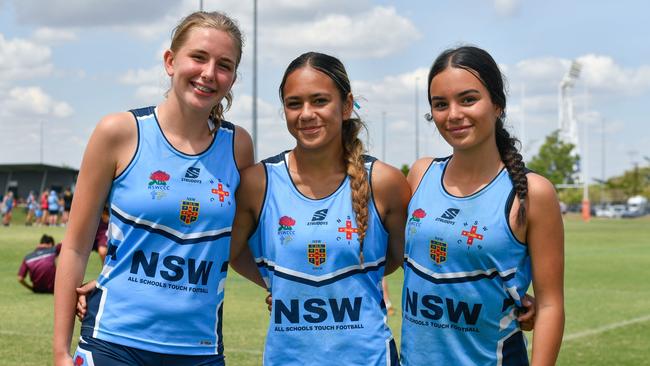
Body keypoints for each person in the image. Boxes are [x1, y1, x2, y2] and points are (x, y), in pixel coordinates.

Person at [53, 11, 253, 366]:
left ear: (233, 77)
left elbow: (239, 246)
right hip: (114, 345)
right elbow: (76, 246)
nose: (209, 73)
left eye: (224, 65)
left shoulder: (237, 146)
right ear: (170, 61)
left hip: (199, 349)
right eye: (198, 57)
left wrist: (284, 287)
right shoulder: (120, 132)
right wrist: (60, 352)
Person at [229, 52, 410, 365]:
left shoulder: (384, 182)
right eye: (294, 103)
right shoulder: (258, 182)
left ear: (347, 105)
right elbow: (231, 253)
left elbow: (401, 259)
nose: (306, 114)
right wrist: (282, 284)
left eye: (319, 101)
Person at [400, 46, 564, 365]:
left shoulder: (532, 193)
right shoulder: (420, 174)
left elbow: (549, 306)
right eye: (440, 104)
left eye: (468, 99)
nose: (454, 114)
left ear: (497, 105)